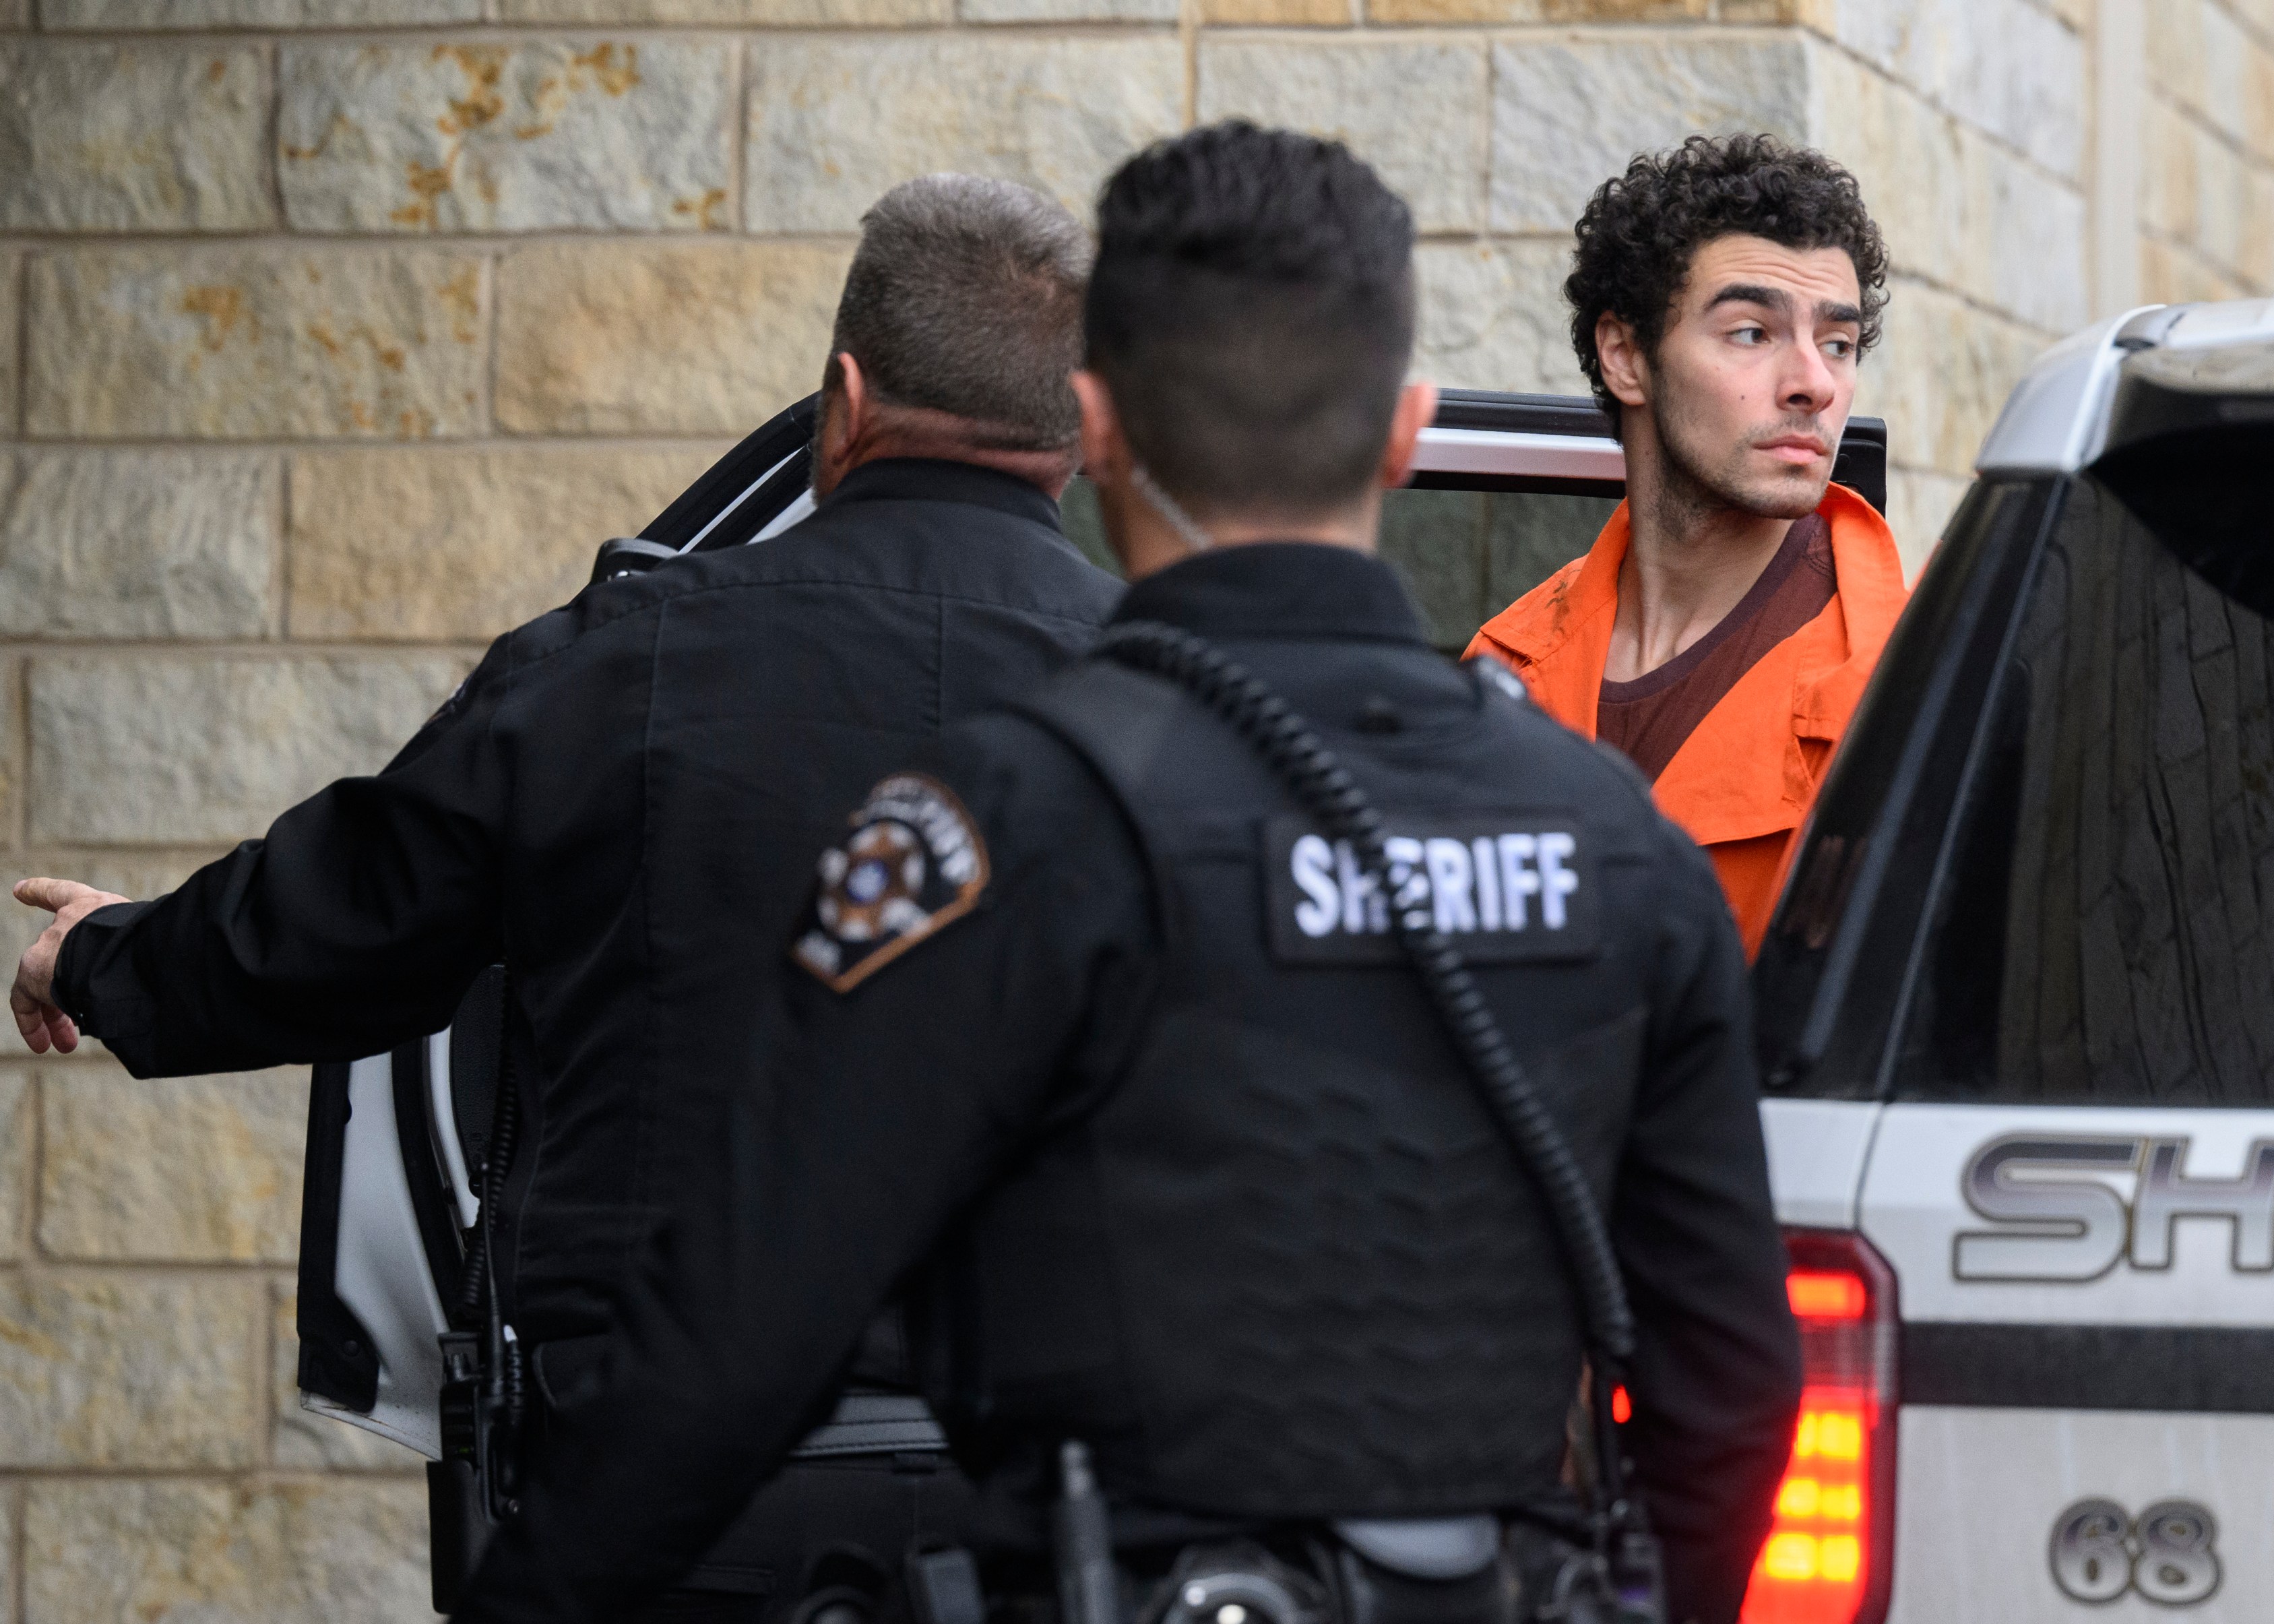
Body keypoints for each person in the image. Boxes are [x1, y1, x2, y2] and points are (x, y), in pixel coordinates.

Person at [451, 121, 1802, 1624]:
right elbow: (1730, 1385)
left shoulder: (993, 826)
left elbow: (731, 1341)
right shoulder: (1618, 841)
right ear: (1405, 426)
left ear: (1094, 426)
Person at [9, 177, 1123, 1615]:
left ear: (843, 397)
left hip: (659, 1510)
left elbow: (337, 924)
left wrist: (101, 954)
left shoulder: (624, 663)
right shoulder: (1185, 699)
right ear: (1079, 428)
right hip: (1065, 1519)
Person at [1465, 134, 1909, 957]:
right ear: (1626, 355)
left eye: (1838, 343)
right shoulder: (1501, 670)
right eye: (1751, 332)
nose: (1813, 381)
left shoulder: (1912, 689)